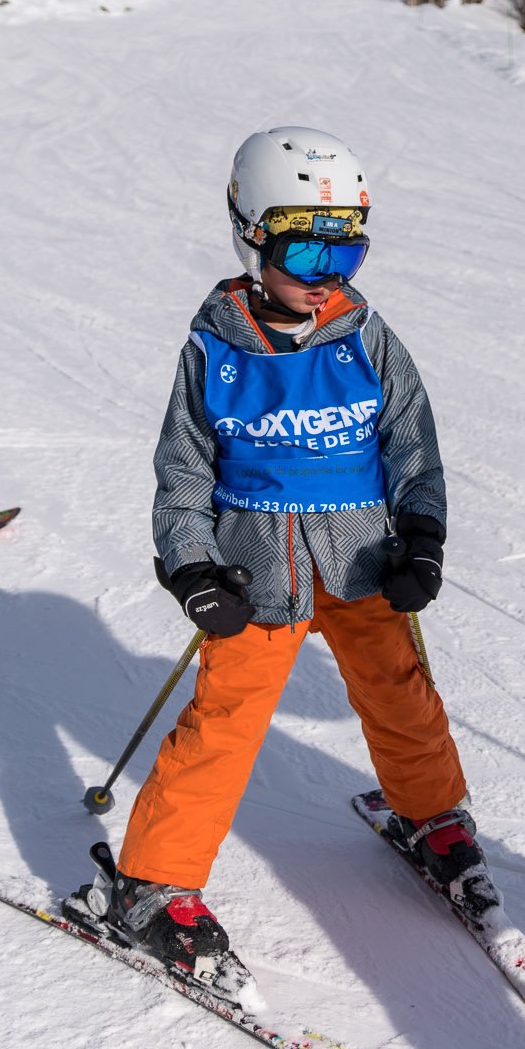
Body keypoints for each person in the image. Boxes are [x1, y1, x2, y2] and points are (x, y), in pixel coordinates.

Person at [89, 125, 485, 989]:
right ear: (252, 234)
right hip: (254, 577)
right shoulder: (216, 350)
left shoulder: (367, 339)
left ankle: (432, 817)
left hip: (363, 565)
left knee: (400, 694)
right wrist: (192, 567)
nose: (326, 278)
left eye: (348, 254)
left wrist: (422, 537)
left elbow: (412, 449)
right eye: (307, 251)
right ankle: (152, 886)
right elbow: (184, 470)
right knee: (222, 724)